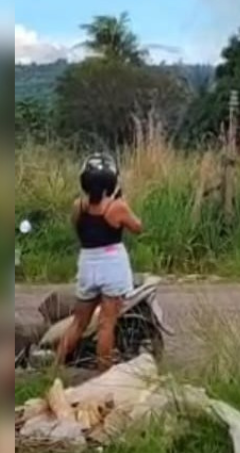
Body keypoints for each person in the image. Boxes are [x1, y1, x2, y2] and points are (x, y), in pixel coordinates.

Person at [56, 153, 142, 372]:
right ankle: (104, 374)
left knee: (79, 323)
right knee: (106, 324)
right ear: (112, 181)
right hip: (112, 264)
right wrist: (121, 200)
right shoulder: (117, 208)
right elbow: (137, 227)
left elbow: (79, 229)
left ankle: (54, 369)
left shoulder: (79, 206)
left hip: (87, 263)